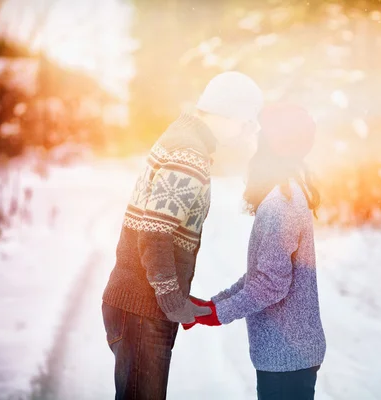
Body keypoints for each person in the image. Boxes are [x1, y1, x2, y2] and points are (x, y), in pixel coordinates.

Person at [101, 71, 264, 400]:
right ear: (228, 113)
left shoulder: (185, 139)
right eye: (245, 121)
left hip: (140, 307)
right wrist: (171, 299)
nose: (246, 129)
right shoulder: (189, 153)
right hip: (142, 309)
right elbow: (154, 232)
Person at [186, 104, 326, 400]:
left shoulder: (281, 203)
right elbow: (264, 275)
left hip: (286, 358)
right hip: (290, 355)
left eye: (261, 139)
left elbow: (271, 285)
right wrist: (213, 304)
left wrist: (217, 313)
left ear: (271, 148)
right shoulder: (286, 192)